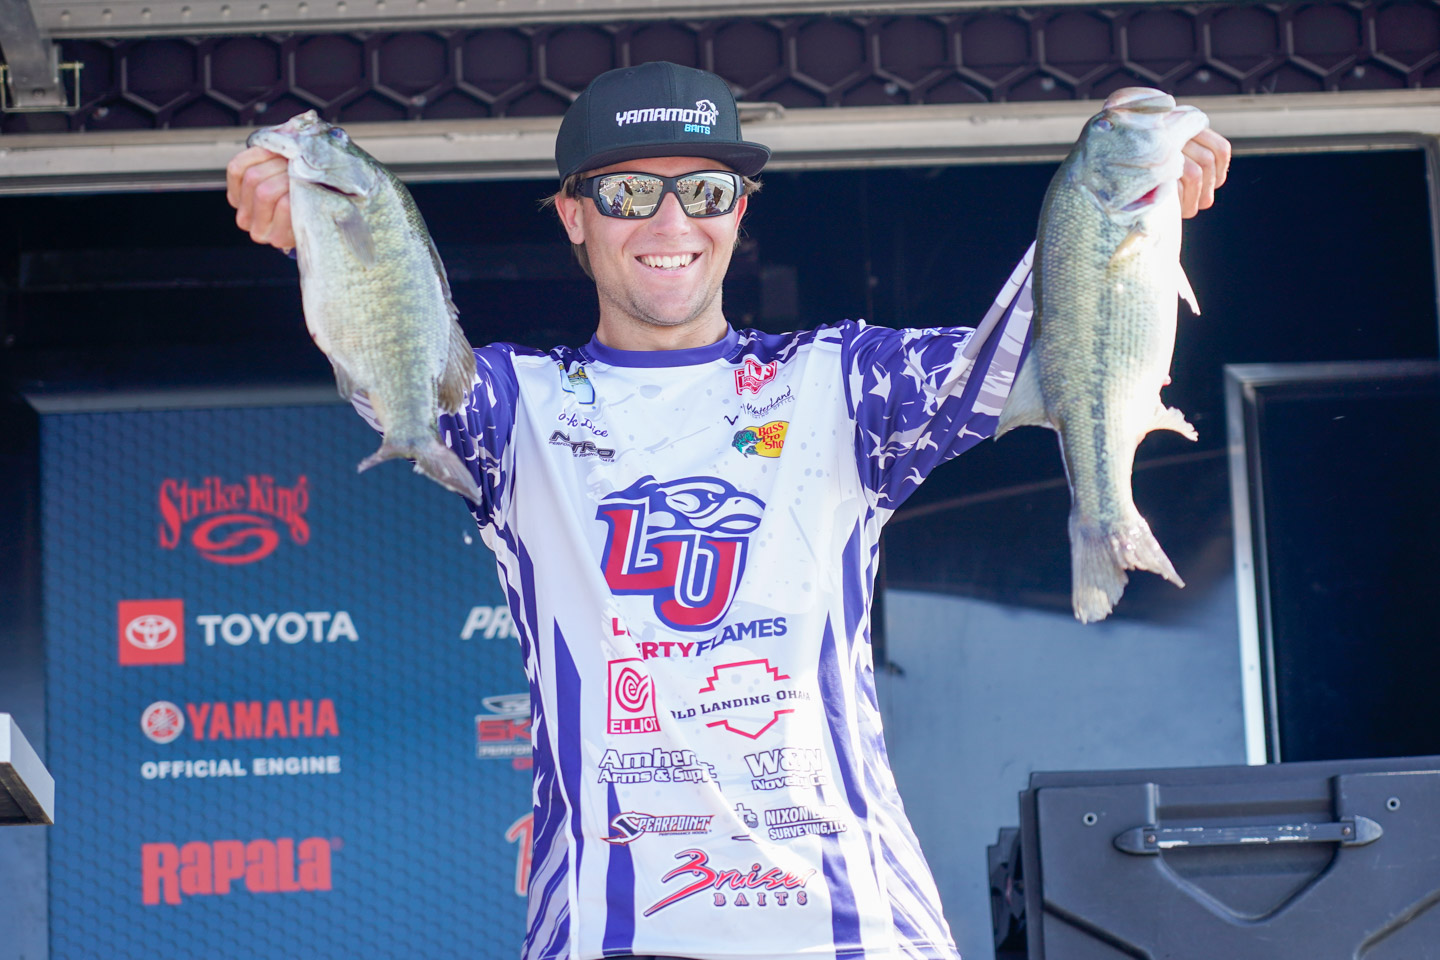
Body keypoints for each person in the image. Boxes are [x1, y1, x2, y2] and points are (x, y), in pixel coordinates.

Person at [227, 61, 1230, 960]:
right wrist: (319, 232)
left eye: (704, 192)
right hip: (611, 930)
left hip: (858, 928)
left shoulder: (843, 383)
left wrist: (1130, 187)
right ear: (574, 215)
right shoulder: (510, 408)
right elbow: (394, 377)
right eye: (629, 192)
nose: (671, 225)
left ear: (740, 211)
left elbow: (1038, 356)